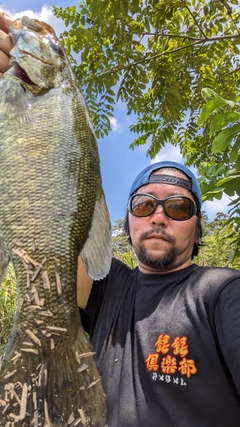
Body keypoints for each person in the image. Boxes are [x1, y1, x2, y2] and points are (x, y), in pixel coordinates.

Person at [1, 11, 240, 427]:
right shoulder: (109, 287)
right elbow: (45, 240)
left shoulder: (221, 293)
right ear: (125, 220)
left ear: (198, 225)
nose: (160, 216)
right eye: (145, 205)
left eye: (179, 207)